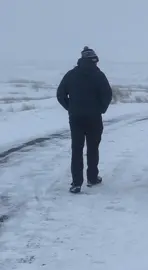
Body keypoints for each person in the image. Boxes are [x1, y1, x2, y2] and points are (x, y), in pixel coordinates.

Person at [56, 46, 113, 194]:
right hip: (94, 118)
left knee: (77, 149)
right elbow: (107, 95)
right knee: (93, 148)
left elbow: (60, 94)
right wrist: (101, 109)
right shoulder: (99, 75)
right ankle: (92, 178)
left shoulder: (71, 75)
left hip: (76, 118)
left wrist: (70, 107)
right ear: (94, 59)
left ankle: (76, 183)